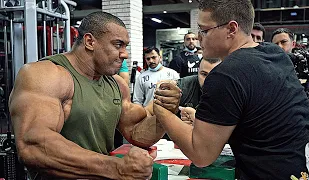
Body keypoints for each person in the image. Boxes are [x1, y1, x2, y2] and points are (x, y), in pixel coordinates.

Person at [153, 0, 309, 179]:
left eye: (204, 30)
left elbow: (201, 154)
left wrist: (162, 111)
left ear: (232, 29)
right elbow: (263, 119)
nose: (199, 37)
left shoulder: (225, 74)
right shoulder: (274, 53)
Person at [9, 12, 181, 179]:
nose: (125, 54)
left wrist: (165, 112)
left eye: (125, 46)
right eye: (118, 44)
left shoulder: (116, 83)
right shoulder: (46, 75)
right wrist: (115, 168)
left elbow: (136, 131)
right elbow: (33, 145)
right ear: (90, 41)